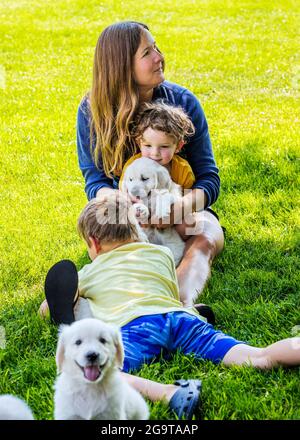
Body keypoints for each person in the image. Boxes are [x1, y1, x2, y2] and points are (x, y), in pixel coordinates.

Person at [41, 194, 300, 419]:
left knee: (97, 376)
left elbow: (48, 308)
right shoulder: (161, 255)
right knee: (257, 355)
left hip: (136, 327)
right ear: (136, 230)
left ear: (93, 243)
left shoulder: (89, 271)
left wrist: (70, 302)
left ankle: (169, 392)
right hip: (180, 318)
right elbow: (170, 291)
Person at [76, 21, 224, 307]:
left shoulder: (182, 104)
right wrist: (124, 205)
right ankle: (78, 300)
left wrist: (177, 208)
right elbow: (95, 182)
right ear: (122, 66)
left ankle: (182, 302)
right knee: (113, 243)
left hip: (180, 212)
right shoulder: (92, 111)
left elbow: (208, 179)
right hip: (125, 213)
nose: (159, 57)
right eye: (147, 53)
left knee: (204, 236)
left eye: (156, 47)